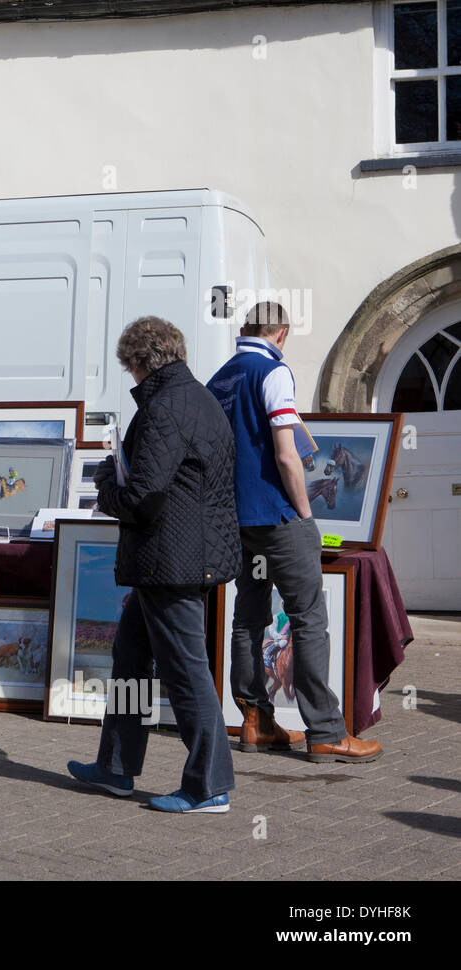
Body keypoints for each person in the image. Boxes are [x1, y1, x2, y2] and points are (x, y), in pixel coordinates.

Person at [68, 316, 241, 814]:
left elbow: (143, 497)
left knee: (185, 670)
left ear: (141, 362)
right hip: (176, 558)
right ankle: (117, 768)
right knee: (129, 657)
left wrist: (105, 486)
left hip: (173, 562)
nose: (130, 377)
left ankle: (209, 786)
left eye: (130, 367)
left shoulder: (165, 407)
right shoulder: (198, 398)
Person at [208, 302, 382, 763]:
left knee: (247, 618)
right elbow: (286, 455)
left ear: (245, 328)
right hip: (277, 517)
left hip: (234, 518)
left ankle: (257, 720)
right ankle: (325, 730)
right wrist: (306, 515)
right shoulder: (273, 371)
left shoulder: (220, 377)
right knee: (308, 620)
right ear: (281, 333)